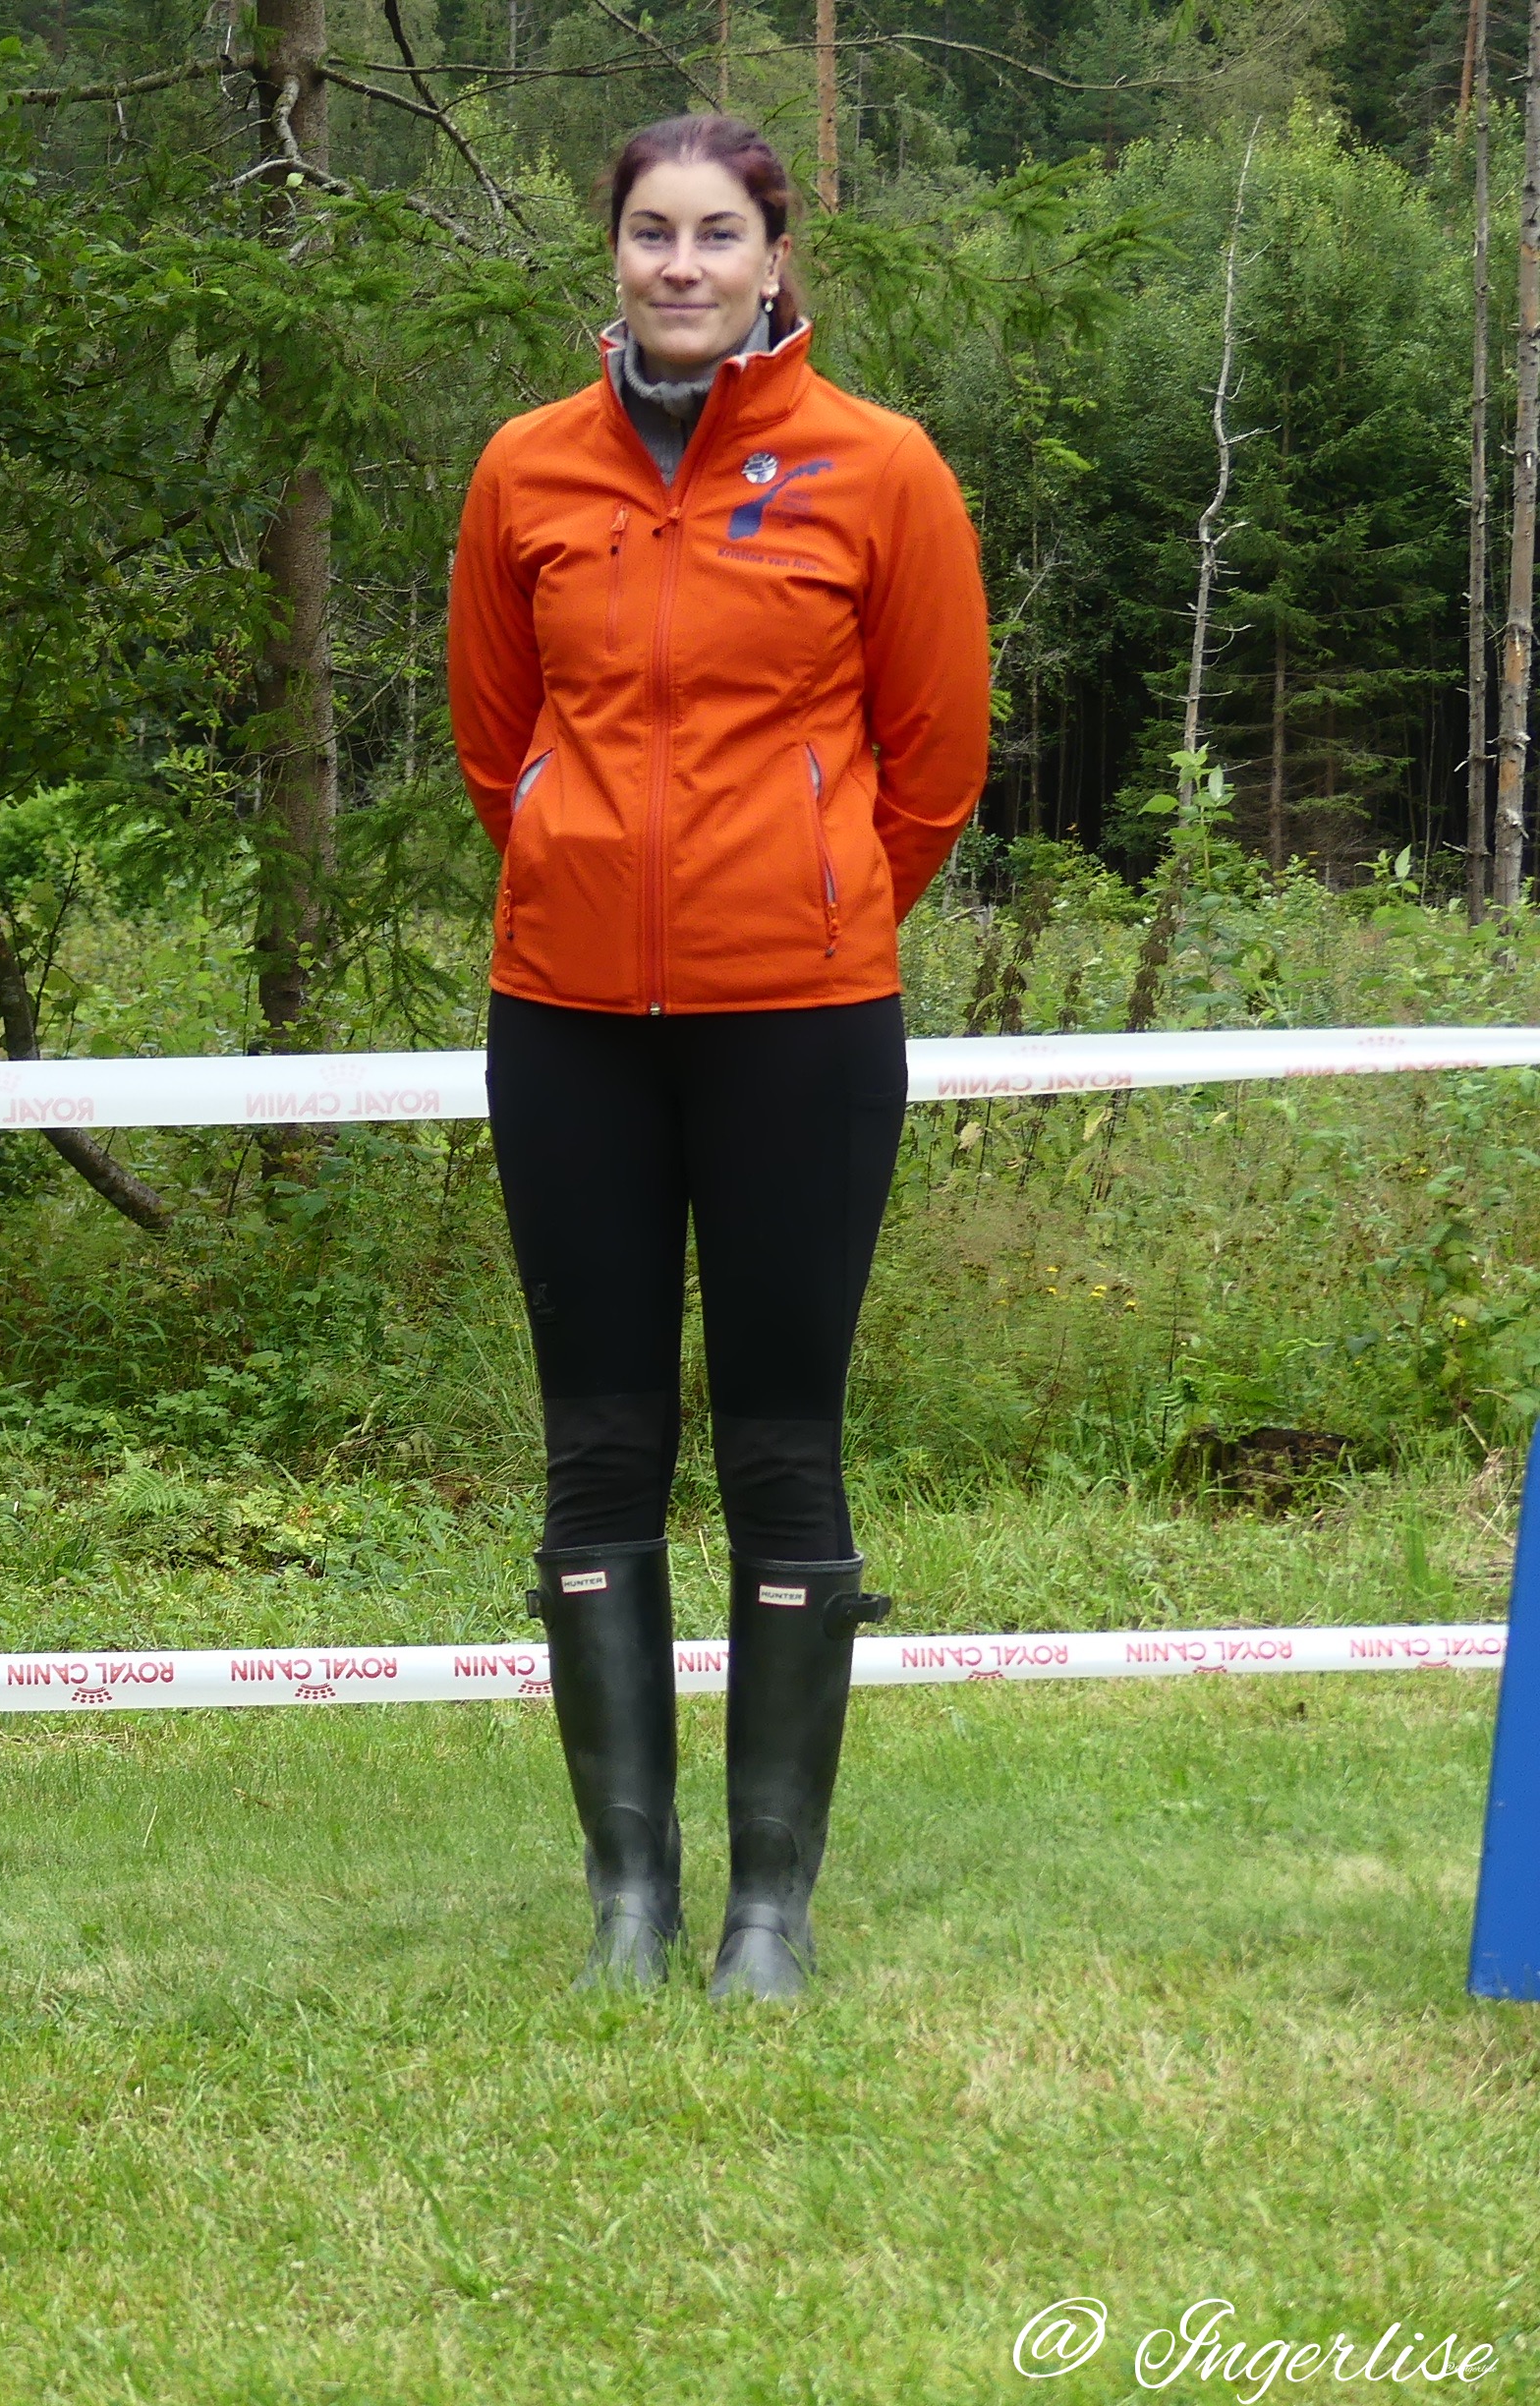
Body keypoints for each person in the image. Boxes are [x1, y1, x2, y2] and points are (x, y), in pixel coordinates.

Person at [446, 116, 990, 2000]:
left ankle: (769, 1906)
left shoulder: (880, 467)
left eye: (717, 235)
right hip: (569, 1023)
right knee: (598, 1443)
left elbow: (935, 762)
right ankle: (629, 1900)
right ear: (614, 253)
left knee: (781, 1443)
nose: (681, 265)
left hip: (802, 1029)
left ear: (774, 259)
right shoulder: (525, 468)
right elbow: (493, 742)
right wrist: (581, 870)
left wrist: (809, 896)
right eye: (650, 233)